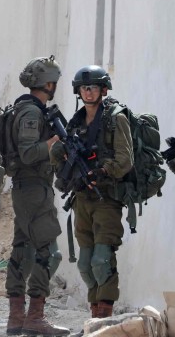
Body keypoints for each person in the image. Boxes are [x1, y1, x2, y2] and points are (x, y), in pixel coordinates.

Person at [51, 65, 132, 318]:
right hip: (81, 198)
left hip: (106, 197)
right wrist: (60, 157)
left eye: (93, 87)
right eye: (84, 88)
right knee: (85, 264)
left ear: (103, 90)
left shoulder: (115, 118)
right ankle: (95, 311)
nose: (88, 92)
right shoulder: (74, 123)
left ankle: (104, 315)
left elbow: (125, 159)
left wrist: (103, 171)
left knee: (101, 259)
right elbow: (61, 159)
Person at [4, 56, 68, 337]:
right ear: (49, 83)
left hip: (27, 188)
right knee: (48, 252)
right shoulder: (32, 113)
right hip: (33, 187)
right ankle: (35, 316)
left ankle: (16, 316)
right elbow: (29, 153)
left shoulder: (28, 108)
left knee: (23, 248)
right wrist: (52, 143)